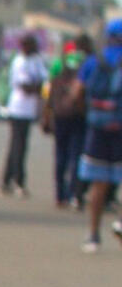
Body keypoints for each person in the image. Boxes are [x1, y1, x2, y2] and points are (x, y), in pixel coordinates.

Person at [77, 22, 122, 253]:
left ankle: (93, 235)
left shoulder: (93, 61)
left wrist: (87, 114)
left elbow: (78, 91)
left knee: (98, 184)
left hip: (97, 127)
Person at [44, 34, 90, 209]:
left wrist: (47, 113)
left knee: (60, 154)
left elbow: (49, 90)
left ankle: (59, 195)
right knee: (77, 155)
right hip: (79, 115)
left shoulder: (58, 63)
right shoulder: (87, 62)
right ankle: (74, 194)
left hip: (60, 115)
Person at [0, 34, 49, 198]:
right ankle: (18, 181)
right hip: (18, 109)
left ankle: (6, 180)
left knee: (18, 145)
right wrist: (38, 87)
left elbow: (45, 81)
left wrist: (40, 88)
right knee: (18, 146)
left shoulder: (36, 60)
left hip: (29, 110)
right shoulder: (19, 61)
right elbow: (26, 86)